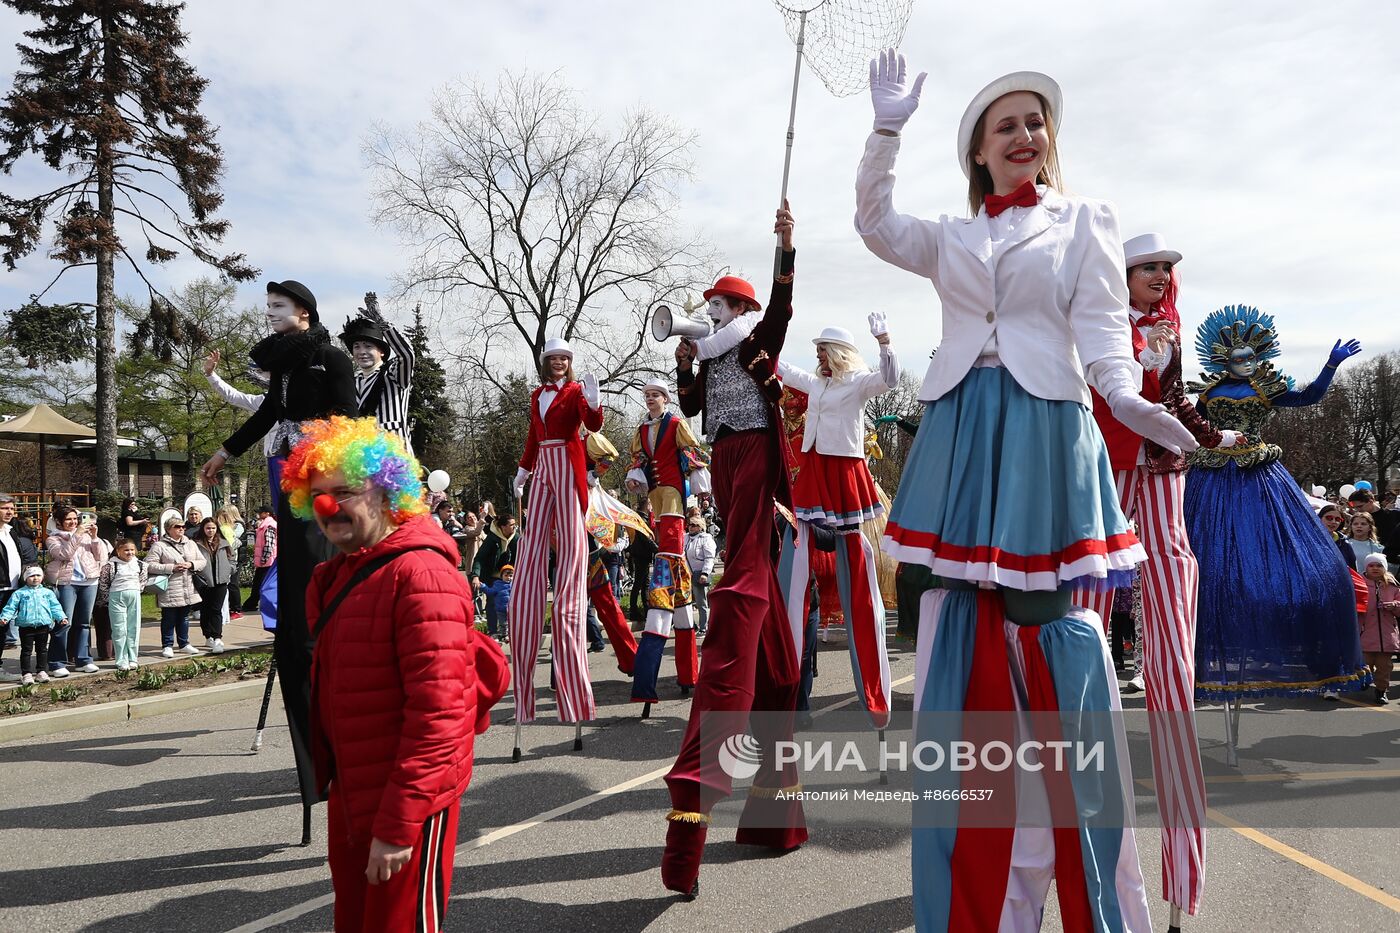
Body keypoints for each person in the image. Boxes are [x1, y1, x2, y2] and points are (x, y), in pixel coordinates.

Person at [856, 55, 1193, 930]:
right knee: (963, 617)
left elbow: (1102, 325)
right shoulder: (951, 236)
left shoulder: (1085, 220)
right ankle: (985, 846)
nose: (1024, 135)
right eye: (1004, 125)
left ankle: (1062, 814)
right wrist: (886, 131)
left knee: (1045, 614)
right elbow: (875, 223)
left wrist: (1124, 395)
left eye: (1034, 122)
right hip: (963, 424)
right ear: (978, 152)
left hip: (1044, 421)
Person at [1068, 232, 1240, 919]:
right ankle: (1066, 848)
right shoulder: (1099, 323)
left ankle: (1182, 876)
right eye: (1149, 267)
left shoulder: (1168, 328)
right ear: (1124, 274)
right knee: (1079, 640)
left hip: (1162, 476)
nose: (1162, 276)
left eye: (1167, 268)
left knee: (1174, 679)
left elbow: (1176, 402)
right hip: (1106, 475)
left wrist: (1215, 436)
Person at [284, 416, 509, 933]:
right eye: (316, 496)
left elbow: (440, 717)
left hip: (409, 803)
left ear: (386, 493)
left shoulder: (423, 574)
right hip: (354, 795)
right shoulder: (335, 576)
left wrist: (398, 822)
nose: (327, 507)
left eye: (344, 492)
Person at [661, 203, 803, 897]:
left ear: (738, 307)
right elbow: (691, 407)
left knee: (746, 572)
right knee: (780, 663)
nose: (711, 311)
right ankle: (778, 817)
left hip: (756, 449)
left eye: (719, 302)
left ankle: (696, 815)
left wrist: (785, 246)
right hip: (721, 452)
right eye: (710, 304)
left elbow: (782, 302)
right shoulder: (713, 350)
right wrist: (685, 363)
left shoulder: (756, 336)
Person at [199, 278, 358, 829]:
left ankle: (321, 618)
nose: (270, 313)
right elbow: (267, 413)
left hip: (323, 474)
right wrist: (224, 452)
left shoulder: (331, 358)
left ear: (305, 313)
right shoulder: (284, 365)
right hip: (284, 474)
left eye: (279, 306)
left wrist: (318, 452)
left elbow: (349, 418)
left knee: (317, 556)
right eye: (267, 306)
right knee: (295, 573)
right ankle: (296, 622)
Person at [1183, 307, 1370, 699]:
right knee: (1205, 559)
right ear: (1224, 359)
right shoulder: (1208, 393)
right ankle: (1191, 663)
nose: (1246, 363)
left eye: (1251, 357)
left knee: (1295, 557)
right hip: (1211, 474)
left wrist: (1331, 366)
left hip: (1258, 474)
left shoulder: (1265, 388)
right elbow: (1190, 425)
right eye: (1238, 357)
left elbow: (1309, 397)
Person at [776, 315, 898, 728]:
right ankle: (787, 688)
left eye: (823, 351)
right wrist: (756, 339)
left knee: (851, 547)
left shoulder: (857, 382)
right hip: (815, 468)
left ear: (838, 353)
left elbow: (890, 380)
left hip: (844, 469)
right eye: (816, 352)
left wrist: (884, 342)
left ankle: (874, 690)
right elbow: (785, 371)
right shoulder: (817, 384)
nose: (818, 357)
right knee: (801, 540)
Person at [509, 336, 604, 724]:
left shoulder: (576, 391)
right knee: (533, 536)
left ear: (569, 362)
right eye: (554, 358)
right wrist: (523, 470)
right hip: (544, 464)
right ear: (547, 362)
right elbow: (534, 436)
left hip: (567, 458)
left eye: (565, 358)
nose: (560, 363)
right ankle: (528, 584)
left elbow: (592, 425)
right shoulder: (537, 396)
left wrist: (594, 403)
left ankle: (569, 589)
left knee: (570, 538)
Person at [625, 379, 709, 703]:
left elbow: (691, 452)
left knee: (671, 542)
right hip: (655, 493)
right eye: (647, 395)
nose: (650, 399)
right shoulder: (641, 429)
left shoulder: (675, 423)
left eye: (655, 395)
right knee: (662, 536)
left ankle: (669, 561)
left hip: (674, 490)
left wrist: (700, 485)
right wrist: (635, 479)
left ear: (665, 398)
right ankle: (670, 560)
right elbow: (639, 460)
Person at [341, 292, 416, 453]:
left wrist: (382, 323)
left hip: (395, 457)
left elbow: (407, 355)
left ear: (381, 351)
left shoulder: (393, 374)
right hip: (362, 458)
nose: (362, 352)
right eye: (357, 347)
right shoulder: (351, 382)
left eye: (368, 346)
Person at [45, 506, 110, 675]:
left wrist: (94, 537)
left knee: (84, 623)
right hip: (67, 583)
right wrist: (77, 534)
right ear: (58, 521)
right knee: (64, 622)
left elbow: (101, 556)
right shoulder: (53, 539)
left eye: (75, 519)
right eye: (68, 519)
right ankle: (56, 663)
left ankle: (84, 660)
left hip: (89, 582)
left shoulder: (86, 536)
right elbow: (64, 555)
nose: (73, 522)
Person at [145, 515, 206, 658]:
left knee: (184, 617)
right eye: (177, 527)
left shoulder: (190, 543)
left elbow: (202, 561)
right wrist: (171, 567)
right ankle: (167, 645)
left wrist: (191, 564)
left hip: (187, 586)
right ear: (168, 529)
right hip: (170, 587)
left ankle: (184, 643)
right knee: (169, 618)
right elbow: (149, 564)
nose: (181, 529)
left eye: (183, 527)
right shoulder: (159, 545)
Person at [3, 566, 65, 685]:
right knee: (26, 650)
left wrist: (61, 617)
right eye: (31, 576)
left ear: (42, 577)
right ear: (25, 578)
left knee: (42, 650)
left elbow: (55, 606)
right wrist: (5, 617)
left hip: (43, 625)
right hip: (26, 626)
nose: (35, 578)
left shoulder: (47, 593)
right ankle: (26, 673)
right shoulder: (20, 593)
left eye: (38, 575)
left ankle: (41, 671)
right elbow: (11, 607)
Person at [98, 539, 147, 670]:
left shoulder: (141, 565)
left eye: (132, 550)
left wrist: (136, 591)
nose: (129, 552)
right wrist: (108, 599)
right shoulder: (110, 565)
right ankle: (121, 659)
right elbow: (103, 584)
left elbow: (143, 581)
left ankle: (133, 658)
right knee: (119, 629)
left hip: (134, 595)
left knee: (133, 627)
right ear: (118, 551)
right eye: (126, 550)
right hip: (116, 597)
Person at [0, 494, 40, 652]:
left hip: (13, 587)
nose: (9, 512)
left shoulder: (11, 532)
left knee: (2, 631)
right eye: (4, 508)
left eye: (12, 508)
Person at [1358, 554, 1399, 704]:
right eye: (1371, 565)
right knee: (1364, 663)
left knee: (1384, 667)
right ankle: (1363, 681)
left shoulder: (1393, 585)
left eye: (1379, 565)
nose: (1375, 568)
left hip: (1386, 635)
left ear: (1385, 568)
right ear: (1366, 567)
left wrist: (1394, 605)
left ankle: (1381, 690)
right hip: (1365, 633)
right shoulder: (1359, 584)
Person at [470, 512, 519, 639]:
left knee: (511, 603)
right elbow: (479, 558)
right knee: (492, 602)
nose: (514, 527)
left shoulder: (516, 538)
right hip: (492, 576)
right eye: (511, 525)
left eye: (514, 524)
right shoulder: (492, 539)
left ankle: (509, 631)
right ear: (503, 527)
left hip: (509, 576)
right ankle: (493, 632)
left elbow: (522, 556)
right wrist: (475, 576)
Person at [192, 517, 234, 654]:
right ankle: (208, 635)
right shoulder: (196, 543)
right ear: (203, 529)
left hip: (221, 581)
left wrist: (230, 569)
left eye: (213, 528)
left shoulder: (223, 542)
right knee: (205, 609)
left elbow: (232, 557)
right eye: (208, 528)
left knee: (216, 609)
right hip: (204, 581)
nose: (210, 531)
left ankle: (217, 637)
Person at [684, 515, 716, 637]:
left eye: (694, 525)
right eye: (690, 525)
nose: (691, 527)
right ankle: (692, 625)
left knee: (701, 602)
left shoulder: (706, 538)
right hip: (687, 574)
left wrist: (705, 573)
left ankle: (704, 627)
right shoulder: (686, 537)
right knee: (686, 602)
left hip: (699, 573)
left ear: (700, 527)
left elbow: (709, 557)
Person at [244, 504, 278, 613]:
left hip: (267, 561)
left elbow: (269, 544)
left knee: (259, 584)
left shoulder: (269, 525)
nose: (258, 514)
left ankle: (252, 603)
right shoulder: (265, 525)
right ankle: (252, 603)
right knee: (259, 584)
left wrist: (264, 559)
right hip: (267, 561)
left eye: (261, 512)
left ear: (267, 513)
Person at [216, 505, 246, 620]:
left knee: (233, 583)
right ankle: (232, 607)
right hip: (234, 557)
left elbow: (233, 539)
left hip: (235, 559)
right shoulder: (230, 526)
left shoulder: (238, 525)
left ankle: (236, 609)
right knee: (231, 583)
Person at [626, 526, 657, 622]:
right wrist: (658, 549)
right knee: (638, 585)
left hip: (643, 557)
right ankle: (634, 611)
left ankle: (646, 609)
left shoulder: (641, 523)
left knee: (644, 585)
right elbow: (647, 540)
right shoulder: (641, 523)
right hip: (641, 557)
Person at [1319, 504, 1359, 569]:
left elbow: (1352, 568)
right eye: (1329, 518)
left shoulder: (1344, 543)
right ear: (1319, 518)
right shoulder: (1309, 540)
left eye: (1337, 519)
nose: (1333, 522)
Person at [480, 565, 514, 633]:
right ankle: (503, 634)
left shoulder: (514, 585)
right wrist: (483, 587)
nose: (508, 578)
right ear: (501, 576)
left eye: (510, 576)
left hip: (511, 609)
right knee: (503, 624)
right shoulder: (498, 585)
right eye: (506, 575)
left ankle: (509, 634)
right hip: (501, 609)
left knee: (511, 624)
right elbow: (490, 592)